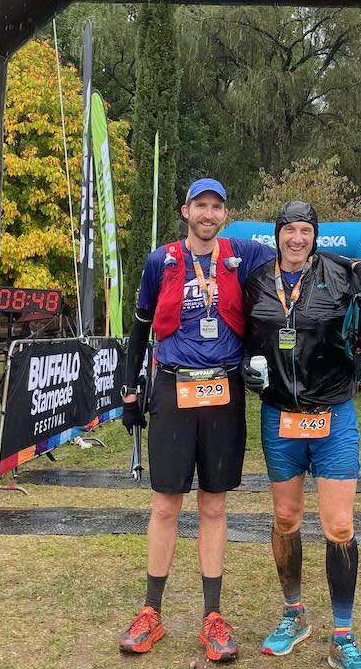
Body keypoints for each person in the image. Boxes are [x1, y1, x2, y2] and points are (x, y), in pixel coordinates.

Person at [117, 177, 275, 662]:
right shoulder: (159, 261)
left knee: (214, 506)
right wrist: (129, 389)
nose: (208, 214)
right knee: (166, 505)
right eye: (200, 205)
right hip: (173, 384)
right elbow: (139, 326)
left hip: (224, 388)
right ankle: (151, 613)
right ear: (185, 211)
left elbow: (295, 259)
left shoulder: (241, 254)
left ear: (224, 213)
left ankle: (212, 616)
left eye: (217, 206)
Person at [240, 201, 361, 669]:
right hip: (279, 417)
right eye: (289, 230)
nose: (297, 239)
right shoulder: (258, 281)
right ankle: (294, 615)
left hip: (333, 415)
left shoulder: (342, 276)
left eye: (305, 230)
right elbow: (246, 343)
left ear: (314, 235)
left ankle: (342, 636)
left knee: (339, 526)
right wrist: (246, 369)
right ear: (277, 234)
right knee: (285, 519)